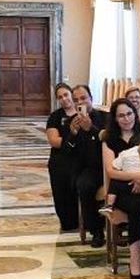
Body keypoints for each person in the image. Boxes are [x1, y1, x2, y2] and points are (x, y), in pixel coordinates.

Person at [101, 98, 140, 279]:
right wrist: (136, 177)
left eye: (129, 114)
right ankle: (135, 260)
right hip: (120, 189)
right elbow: (111, 171)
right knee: (138, 206)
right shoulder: (109, 140)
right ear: (114, 119)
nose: (126, 118)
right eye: (121, 115)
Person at [67, 85, 110, 247]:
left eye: (83, 98)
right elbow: (68, 149)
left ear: (91, 98)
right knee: (84, 186)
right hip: (88, 168)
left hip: (106, 164)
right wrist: (73, 133)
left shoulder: (105, 117)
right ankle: (96, 231)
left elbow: (108, 140)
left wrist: (90, 129)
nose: (80, 102)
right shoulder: (72, 121)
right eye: (76, 100)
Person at [45, 83, 79, 231]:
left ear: (71, 94)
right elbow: (54, 141)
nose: (64, 99)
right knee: (61, 192)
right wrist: (72, 138)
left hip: (79, 159)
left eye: (66, 95)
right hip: (60, 159)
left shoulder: (82, 114)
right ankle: (67, 222)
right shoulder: (55, 117)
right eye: (60, 97)